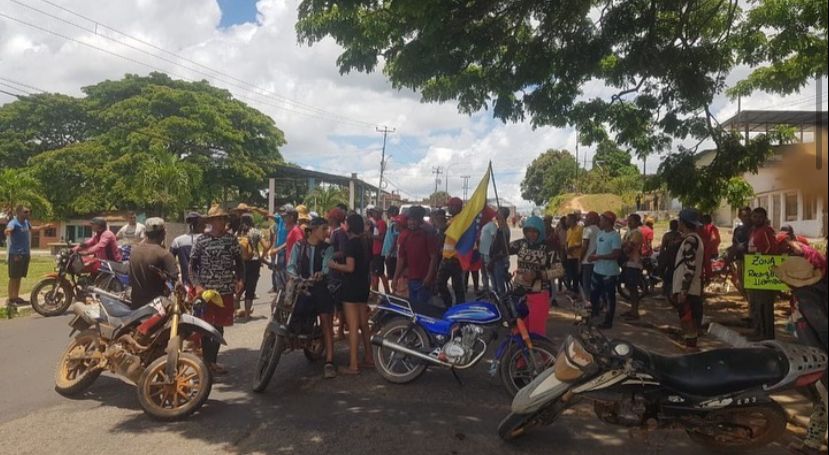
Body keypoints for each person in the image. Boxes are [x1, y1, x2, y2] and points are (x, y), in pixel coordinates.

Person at [771, 257, 828, 455]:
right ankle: (812, 444)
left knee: (824, 398)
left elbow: (823, 329)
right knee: (821, 401)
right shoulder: (811, 293)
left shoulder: (807, 298)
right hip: (817, 355)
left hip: (822, 355)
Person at [189, 205, 244, 375]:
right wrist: (197, 284)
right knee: (206, 326)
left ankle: (212, 361)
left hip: (226, 289)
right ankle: (206, 361)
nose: (221, 222)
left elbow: (239, 262)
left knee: (219, 326)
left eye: (223, 219)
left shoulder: (231, 240)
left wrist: (241, 280)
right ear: (211, 221)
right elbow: (192, 266)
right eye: (218, 219)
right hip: (206, 291)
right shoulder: (201, 240)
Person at [289, 217, 337, 379]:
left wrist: (321, 274)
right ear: (314, 230)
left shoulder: (327, 248)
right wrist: (294, 277)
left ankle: (329, 361)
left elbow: (326, 267)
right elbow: (291, 266)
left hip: (320, 288)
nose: (327, 232)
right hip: (301, 287)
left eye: (327, 228)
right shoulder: (299, 246)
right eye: (324, 229)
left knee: (326, 322)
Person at [328, 213, 374, 375]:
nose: (343, 225)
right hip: (363, 285)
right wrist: (341, 255)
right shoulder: (365, 240)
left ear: (350, 226)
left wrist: (333, 264)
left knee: (353, 326)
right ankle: (369, 357)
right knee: (363, 324)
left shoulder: (350, 242)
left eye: (346, 222)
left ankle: (353, 364)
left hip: (351, 287)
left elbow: (349, 267)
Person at [508, 216, 557, 336]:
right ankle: (518, 355)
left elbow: (559, 270)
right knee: (518, 330)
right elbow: (502, 249)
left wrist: (538, 275)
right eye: (528, 231)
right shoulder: (520, 244)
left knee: (536, 332)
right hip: (518, 294)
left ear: (541, 231)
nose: (531, 234)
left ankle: (539, 354)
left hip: (538, 295)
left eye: (535, 231)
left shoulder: (549, 248)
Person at [672, 209, 705, 350]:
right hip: (691, 286)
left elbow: (690, 267)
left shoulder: (690, 240)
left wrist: (683, 290)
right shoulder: (695, 239)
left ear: (683, 223)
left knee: (687, 319)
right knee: (687, 318)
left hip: (687, 288)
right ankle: (690, 345)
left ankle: (691, 348)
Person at [128, 218, 178, 309]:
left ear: (146, 234)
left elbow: (130, 279)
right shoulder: (164, 254)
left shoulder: (134, 251)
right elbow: (174, 281)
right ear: (163, 234)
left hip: (136, 306)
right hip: (157, 309)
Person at [393, 206, 439, 307]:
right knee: (414, 309)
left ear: (420, 221)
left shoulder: (428, 235)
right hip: (411, 280)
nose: (411, 222)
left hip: (424, 281)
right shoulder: (405, 236)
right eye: (409, 219)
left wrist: (429, 277)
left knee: (424, 309)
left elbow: (433, 257)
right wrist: (395, 278)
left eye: (414, 219)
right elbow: (401, 259)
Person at [747, 207, 779, 340]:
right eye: (754, 216)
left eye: (760, 217)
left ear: (764, 218)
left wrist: (758, 257)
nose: (756, 219)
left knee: (764, 305)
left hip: (764, 272)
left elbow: (771, 248)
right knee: (755, 303)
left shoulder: (767, 231)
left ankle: (766, 335)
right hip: (755, 272)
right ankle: (758, 331)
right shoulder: (754, 231)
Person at [588, 211, 623, 329]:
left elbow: (616, 254)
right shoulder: (600, 233)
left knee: (609, 297)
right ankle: (593, 316)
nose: (599, 222)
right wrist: (592, 255)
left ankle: (608, 321)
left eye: (602, 220)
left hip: (609, 273)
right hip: (597, 270)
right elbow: (597, 248)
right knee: (594, 295)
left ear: (608, 221)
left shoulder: (615, 236)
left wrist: (598, 257)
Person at [434, 207, 465, 306]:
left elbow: (444, 228)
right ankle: (450, 304)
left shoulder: (457, 220)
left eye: (451, 206)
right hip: (447, 257)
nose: (449, 208)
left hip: (454, 258)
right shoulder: (452, 220)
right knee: (441, 283)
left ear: (456, 206)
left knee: (456, 287)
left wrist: (438, 221)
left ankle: (458, 307)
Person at [236, 213, 264, 320]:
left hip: (240, 262)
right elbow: (265, 246)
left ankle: (234, 312)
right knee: (250, 289)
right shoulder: (256, 232)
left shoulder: (237, 233)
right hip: (254, 262)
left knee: (239, 286)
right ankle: (247, 314)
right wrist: (262, 256)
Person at [5, 205, 32, 307]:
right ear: (19, 212)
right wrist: (7, 231)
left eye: (28, 211)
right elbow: (9, 229)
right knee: (13, 277)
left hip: (25, 254)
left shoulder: (26, 222)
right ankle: (11, 299)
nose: (27, 213)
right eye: (25, 212)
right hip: (16, 254)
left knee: (19, 276)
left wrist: (45, 227)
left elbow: (32, 229)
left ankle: (16, 297)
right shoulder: (13, 222)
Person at [621, 213, 644, 320]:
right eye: (628, 220)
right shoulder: (629, 232)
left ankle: (635, 312)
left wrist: (624, 245)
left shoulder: (637, 233)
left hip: (634, 263)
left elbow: (629, 247)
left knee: (633, 288)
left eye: (631, 220)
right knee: (629, 287)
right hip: (628, 263)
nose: (629, 222)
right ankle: (632, 310)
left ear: (637, 222)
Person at [170, 212, 201, 288]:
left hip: (186, 284)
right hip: (204, 284)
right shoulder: (205, 239)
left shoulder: (177, 241)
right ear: (198, 224)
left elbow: (170, 260)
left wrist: (176, 279)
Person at [489, 207, 512, 296]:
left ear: (502, 215)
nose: (496, 216)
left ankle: (502, 307)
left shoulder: (503, 230)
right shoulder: (500, 228)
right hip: (496, 260)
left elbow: (502, 250)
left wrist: (492, 261)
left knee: (499, 288)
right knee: (496, 287)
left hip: (499, 261)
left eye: (498, 214)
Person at [657, 220, 683, 297]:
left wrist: (661, 258)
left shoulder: (667, 235)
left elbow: (662, 248)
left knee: (667, 274)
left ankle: (665, 292)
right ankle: (672, 291)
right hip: (677, 257)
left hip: (669, 257)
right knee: (674, 274)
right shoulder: (680, 236)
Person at [368, 208, 390, 294]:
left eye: (374, 212)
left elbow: (381, 237)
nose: (373, 214)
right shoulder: (376, 223)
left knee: (379, 273)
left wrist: (371, 236)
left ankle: (383, 292)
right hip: (375, 251)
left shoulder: (381, 223)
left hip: (379, 251)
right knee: (376, 273)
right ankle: (377, 292)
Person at [580, 212, 600, 302]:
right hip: (597, 261)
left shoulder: (587, 230)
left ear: (592, 219)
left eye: (587, 218)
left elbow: (584, 246)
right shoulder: (600, 230)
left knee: (586, 284)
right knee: (595, 285)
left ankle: (588, 304)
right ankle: (597, 303)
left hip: (587, 261)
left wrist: (580, 259)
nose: (585, 219)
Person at [381, 206, 401, 292]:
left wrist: (389, 252)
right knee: (391, 274)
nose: (387, 215)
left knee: (392, 275)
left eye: (388, 213)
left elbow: (396, 239)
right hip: (390, 252)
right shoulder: (392, 222)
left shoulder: (395, 223)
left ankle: (393, 293)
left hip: (392, 254)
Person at [565, 213, 584, 295]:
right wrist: (566, 249)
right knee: (571, 274)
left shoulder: (580, 229)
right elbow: (567, 242)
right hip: (569, 255)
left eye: (568, 219)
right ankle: (573, 290)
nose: (566, 221)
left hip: (577, 256)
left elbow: (583, 242)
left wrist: (573, 247)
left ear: (572, 220)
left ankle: (578, 292)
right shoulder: (568, 230)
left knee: (577, 275)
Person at [479, 214, 498, 293]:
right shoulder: (484, 226)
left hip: (488, 253)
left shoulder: (492, 225)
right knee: (483, 272)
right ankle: (485, 287)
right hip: (482, 252)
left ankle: (494, 289)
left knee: (490, 272)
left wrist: (492, 251)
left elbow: (494, 238)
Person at [700, 214, 721, 282]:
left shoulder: (702, 228)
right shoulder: (712, 228)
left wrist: (706, 246)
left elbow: (715, 239)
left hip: (705, 252)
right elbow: (716, 240)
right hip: (711, 252)